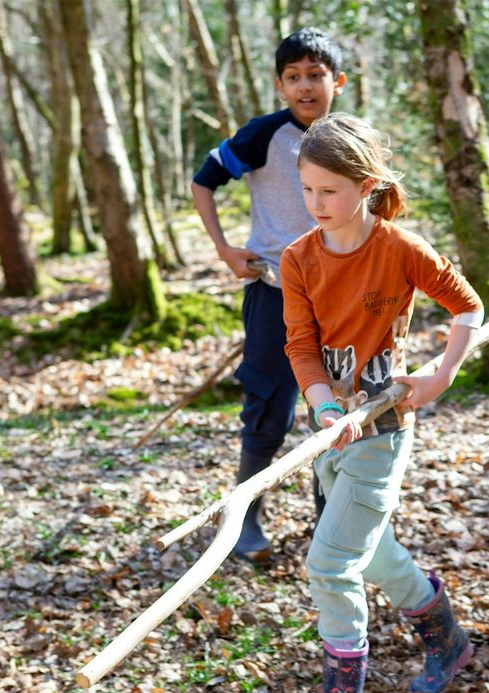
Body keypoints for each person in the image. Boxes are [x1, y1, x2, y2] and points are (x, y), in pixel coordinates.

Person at [279, 113, 483, 693]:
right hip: (330, 434)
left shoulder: (398, 248)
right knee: (369, 551)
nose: (317, 205)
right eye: (308, 190)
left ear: (364, 186)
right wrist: (320, 409)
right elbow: (301, 347)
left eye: (329, 192)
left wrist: (442, 371)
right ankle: (446, 637)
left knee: (330, 562)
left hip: (385, 426)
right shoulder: (298, 259)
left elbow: (468, 305)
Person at [191, 29, 346, 564]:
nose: (306, 86)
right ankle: (246, 517)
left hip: (343, 301)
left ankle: (330, 520)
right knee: (269, 408)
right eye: (294, 76)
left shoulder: (352, 138)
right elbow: (203, 181)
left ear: (337, 81)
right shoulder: (264, 135)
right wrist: (224, 249)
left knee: (337, 409)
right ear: (281, 85)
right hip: (275, 293)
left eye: (316, 75)